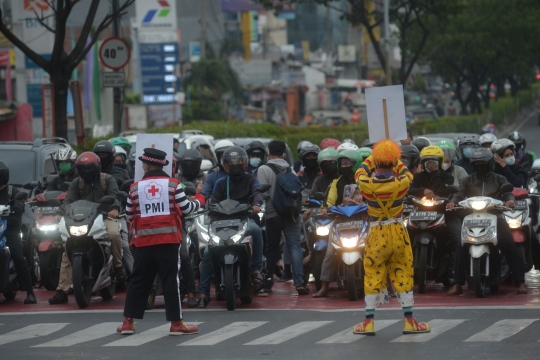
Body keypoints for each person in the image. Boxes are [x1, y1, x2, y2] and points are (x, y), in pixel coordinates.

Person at [117, 148, 203, 335]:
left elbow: (129, 215)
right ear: (162, 164)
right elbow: (187, 208)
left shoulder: (135, 188)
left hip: (143, 243)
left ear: (147, 165)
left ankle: (127, 322)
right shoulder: (173, 185)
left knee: (138, 281)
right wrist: (199, 200)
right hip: (168, 241)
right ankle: (176, 323)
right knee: (170, 281)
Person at [353, 140, 430, 335]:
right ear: (394, 161)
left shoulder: (366, 184)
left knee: (372, 274)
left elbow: (359, 171)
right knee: (404, 272)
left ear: (376, 162)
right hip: (397, 231)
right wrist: (395, 159)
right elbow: (407, 172)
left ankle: (368, 322)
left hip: (376, 232)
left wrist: (373, 156)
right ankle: (409, 321)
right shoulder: (402, 182)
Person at [446, 147, 527, 295]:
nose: (480, 165)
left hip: (495, 215)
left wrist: (509, 200)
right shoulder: (467, 180)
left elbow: (508, 192)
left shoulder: (499, 178)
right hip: (471, 216)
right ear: (473, 165)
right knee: (460, 245)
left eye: (484, 163)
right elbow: (459, 194)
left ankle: (520, 281)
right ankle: (457, 283)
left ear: (490, 164)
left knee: (509, 244)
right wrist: (453, 202)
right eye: (478, 163)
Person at [49, 152, 126, 304]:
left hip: (104, 218)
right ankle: (62, 291)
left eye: (89, 168)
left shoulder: (107, 179)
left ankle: (118, 267)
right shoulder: (77, 183)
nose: (87, 172)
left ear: (97, 166)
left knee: (114, 234)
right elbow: (68, 201)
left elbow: (115, 196)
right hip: (82, 220)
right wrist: (59, 213)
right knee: (67, 249)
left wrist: (115, 209)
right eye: (83, 169)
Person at [197, 146, 265, 307]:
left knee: (256, 230)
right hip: (222, 223)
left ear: (244, 162)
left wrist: (256, 204)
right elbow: (212, 199)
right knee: (208, 251)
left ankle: (256, 269)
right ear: (225, 164)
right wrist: (209, 206)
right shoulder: (221, 182)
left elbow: (258, 193)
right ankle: (204, 293)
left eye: (238, 161)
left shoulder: (251, 179)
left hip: (244, 219)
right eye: (231, 162)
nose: (235, 164)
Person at [258, 141, 309, 295]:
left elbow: (263, 194)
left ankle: (268, 282)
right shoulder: (290, 170)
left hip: (273, 214)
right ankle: (299, 281)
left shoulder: (263, 169)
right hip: (292, 215)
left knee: (272, 248)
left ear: (268, 152)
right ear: (284, 154)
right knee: (294, 246)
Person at [313, 150, 363, 298]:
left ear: (356, 164)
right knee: (329, 252)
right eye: (342, 163)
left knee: (376, 250)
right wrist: (324, 208)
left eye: (347, 163)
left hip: (362, 221)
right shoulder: (336, 183)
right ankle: (324, 287)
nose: (344, 166)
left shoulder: (365, 180)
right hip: (340, 222)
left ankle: (388, 285)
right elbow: (328, 201)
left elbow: (371, 199)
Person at [0, 161, 36, 304]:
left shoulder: (11, 191)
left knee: (18, 256)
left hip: (9, 229)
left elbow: (20, 204)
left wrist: (17, 206)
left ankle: (30, 292)